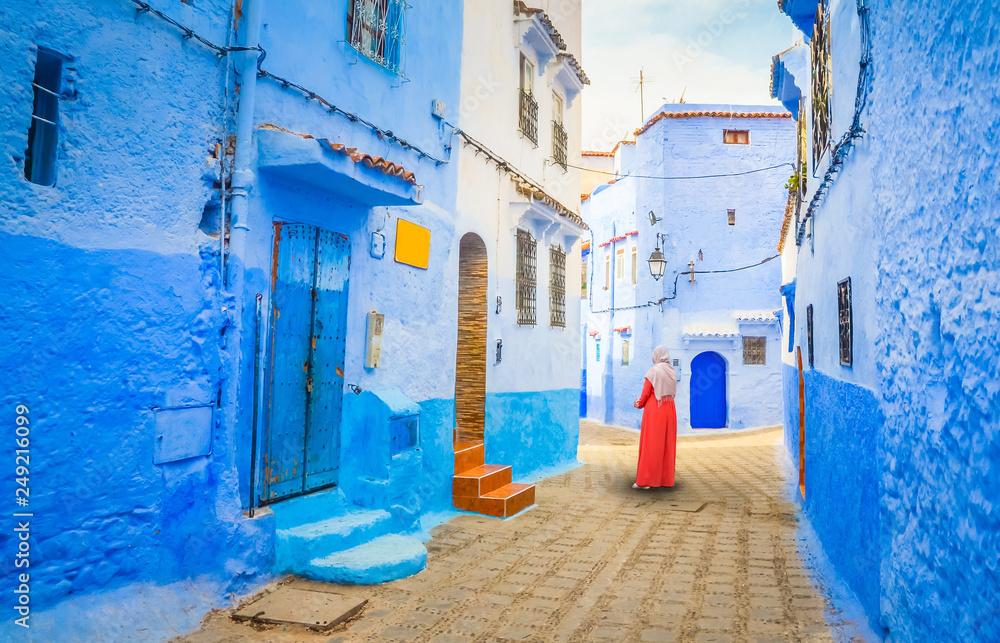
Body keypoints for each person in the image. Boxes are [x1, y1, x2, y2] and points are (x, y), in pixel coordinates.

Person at [632, 345, 678, 489]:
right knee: (666, 445)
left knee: (651, 443)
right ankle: (666, 480)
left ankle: (646, 481)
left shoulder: (653, 371)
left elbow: (646, 393)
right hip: (670, 409)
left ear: (656, 356)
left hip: (655, 409)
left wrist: (639, 404)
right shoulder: (672, 371)